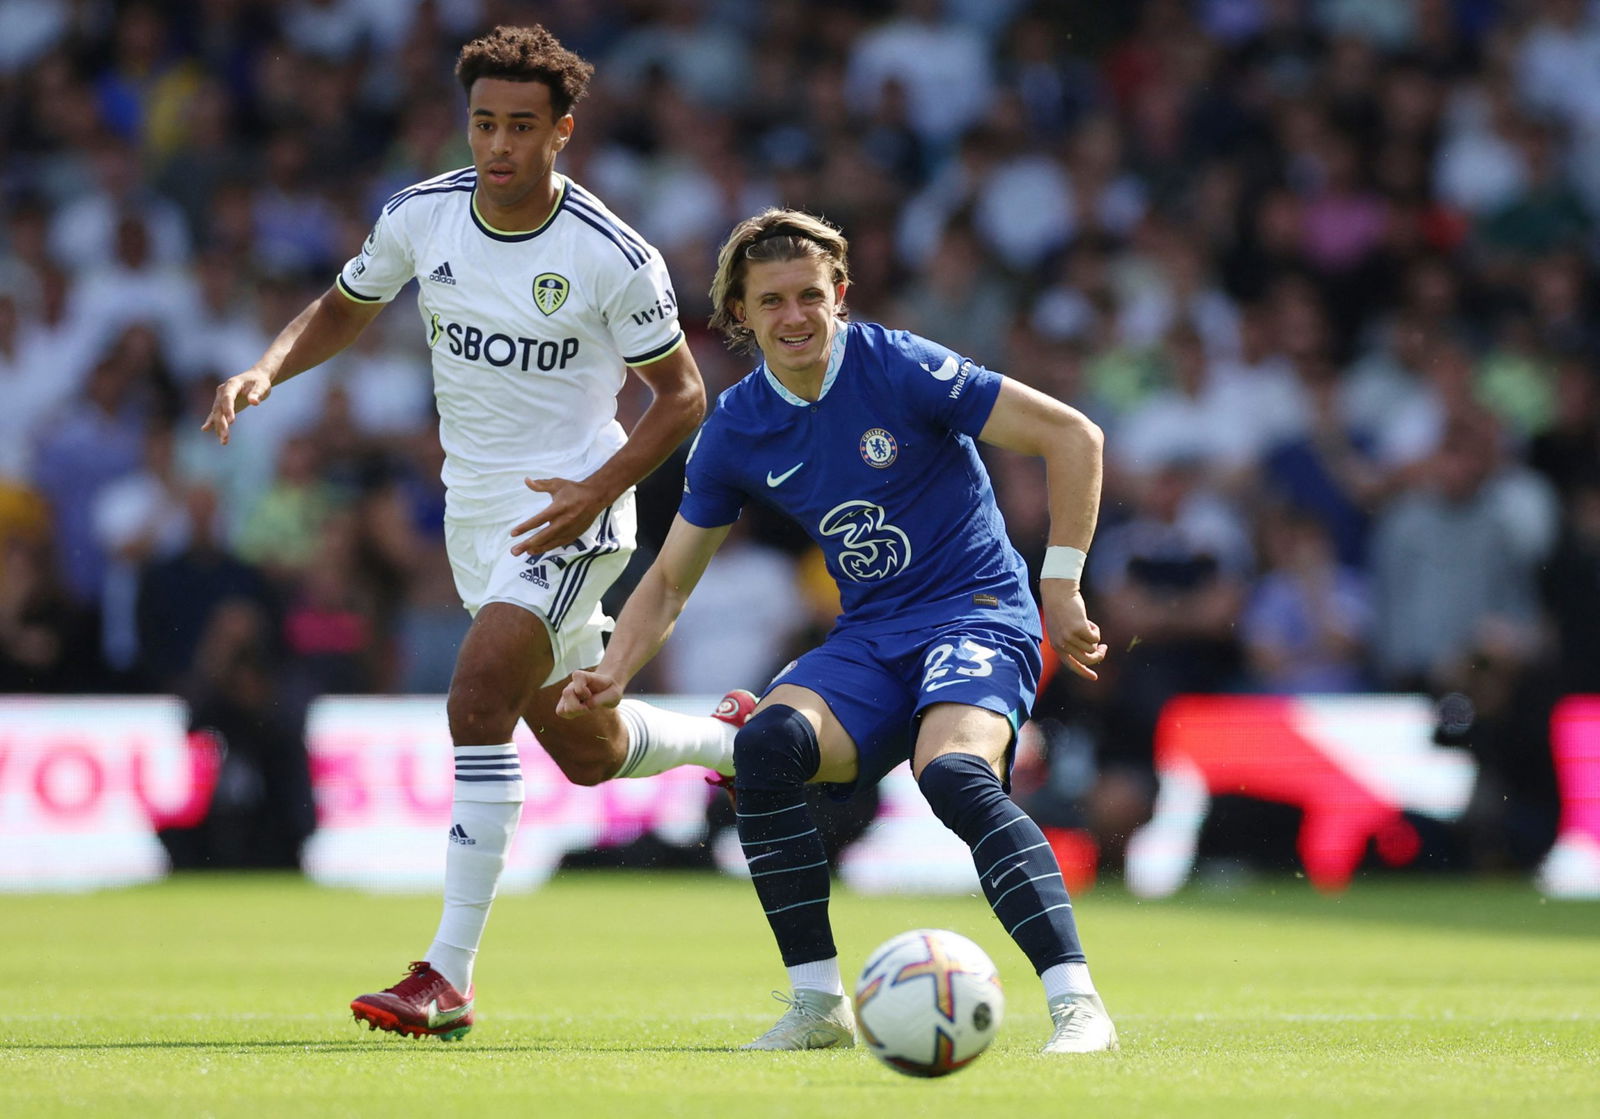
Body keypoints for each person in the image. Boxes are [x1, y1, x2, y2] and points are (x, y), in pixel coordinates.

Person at [202, 25, 753, 1041]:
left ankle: (445, 974)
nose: (497, 145)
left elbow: (681, 399)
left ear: (562, 133)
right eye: (483, 122)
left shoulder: (610, 253)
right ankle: (734, 742)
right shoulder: (422, 217)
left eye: (520, 127)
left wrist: (599, 490)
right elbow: (344, 304)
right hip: (475, 514)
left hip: (571, 507)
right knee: (583, 748)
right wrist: (266, 369)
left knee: (473, 698)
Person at [559, 208, 1119, 1054]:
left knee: (956, 776)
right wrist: (615, 672)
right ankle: (818, 1007)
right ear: (739, 316)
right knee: (768, 745)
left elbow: (1072, 435)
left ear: (840, 296)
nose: (795, 316)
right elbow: (670, 576)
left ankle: (1079, 1005)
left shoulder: (899, 365)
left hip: (978, 613)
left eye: (811, 296)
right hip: (871, 635)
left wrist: (1063, 587)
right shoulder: (738, 427)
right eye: (772, 300)